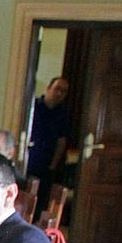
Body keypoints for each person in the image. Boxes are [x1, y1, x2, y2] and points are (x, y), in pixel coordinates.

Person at [25, 76, 72, 217]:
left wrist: (53, 165)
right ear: (49, 88)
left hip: (47, 162)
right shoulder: (33, 106)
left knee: (41, 199)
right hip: (29, 158)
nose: (59, 93)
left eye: (63, 91)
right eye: (57, 89)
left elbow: (61, 141)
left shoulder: (63, 114)